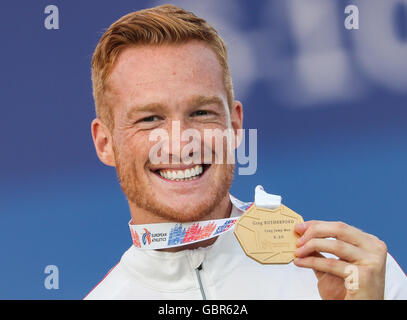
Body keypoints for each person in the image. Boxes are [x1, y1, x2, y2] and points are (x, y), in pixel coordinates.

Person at [85, 4, 406, 300]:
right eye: (150, 119)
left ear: (235, 125)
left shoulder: (357, 275)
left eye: (201, 112)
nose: (181, 142)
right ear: (105, 143)